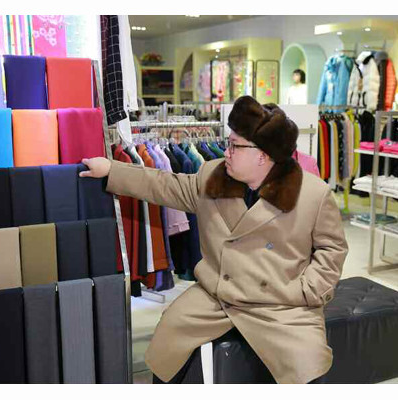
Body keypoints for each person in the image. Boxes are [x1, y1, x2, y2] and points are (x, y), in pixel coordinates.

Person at [81, 95, 348, 384]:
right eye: (227, 143)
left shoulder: (312, 194)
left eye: (235, 145)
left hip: (281, 304)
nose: (226, 152)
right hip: (215, 298)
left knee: (308, 364)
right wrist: (112, 170)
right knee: (167, 344)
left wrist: (307, 291)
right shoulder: (213, 176)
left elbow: (332, 249)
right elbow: (165, 184)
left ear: (262, 155)